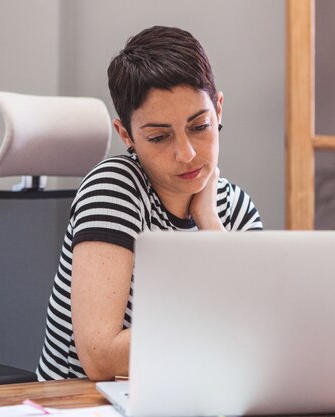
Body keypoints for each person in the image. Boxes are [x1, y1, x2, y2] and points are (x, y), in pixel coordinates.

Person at [37, 25, 263, 381]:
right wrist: (227, 327)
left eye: (199, 126)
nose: (186, 154)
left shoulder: (235, 208)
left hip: (188, 393)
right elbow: (101, 358)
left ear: (218, 110)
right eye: (159, 137)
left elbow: (261, 332)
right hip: (84, 404)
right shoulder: (113, 187)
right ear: (126, 135)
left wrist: (209, 222)